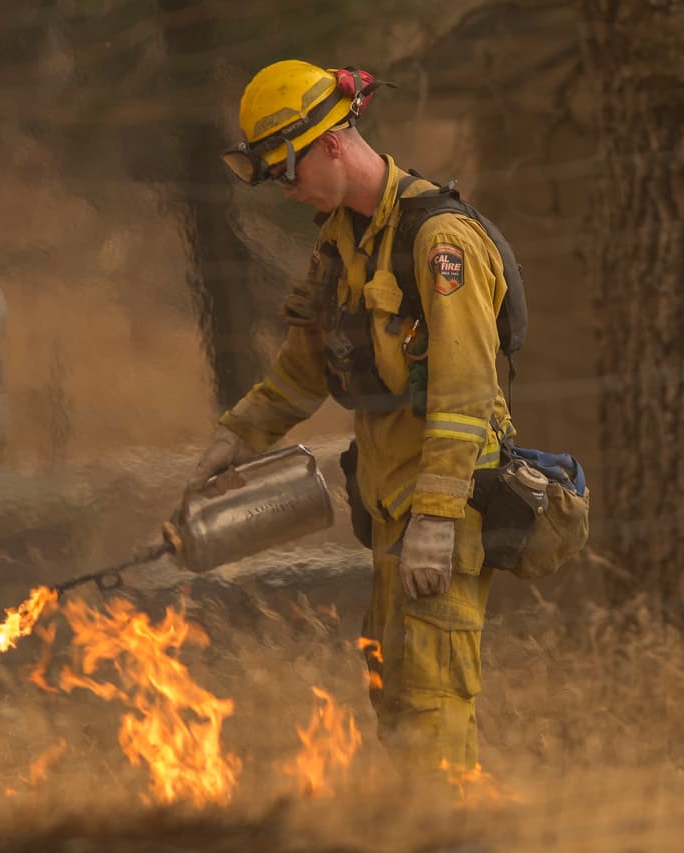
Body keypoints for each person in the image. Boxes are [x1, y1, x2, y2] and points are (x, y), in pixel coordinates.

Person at [188, 59, 520, 772]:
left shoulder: (441, 243)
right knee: (394, 700)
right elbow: (308, 363)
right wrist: (237, 434)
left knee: (431, 705)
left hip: (444, 507)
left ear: (334, 142)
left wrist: (435, 519)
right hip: (391, 501)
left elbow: (465, 391)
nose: (285, 186)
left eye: (287, 168)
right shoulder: (341, 241)